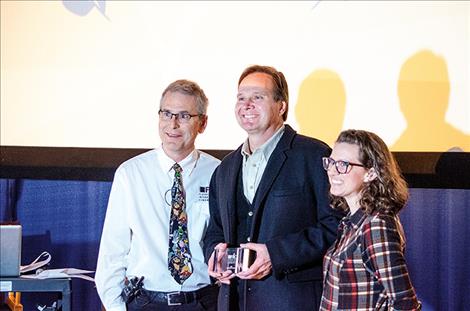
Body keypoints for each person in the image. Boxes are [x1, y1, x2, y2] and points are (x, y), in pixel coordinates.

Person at [203, 65, 343, 311]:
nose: (247, 105)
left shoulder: (313, 156)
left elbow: (337, 225)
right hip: (234, 301)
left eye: (257, 97)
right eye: (241, 98)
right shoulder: (225, 168)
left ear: (282, 106)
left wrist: (276, 254)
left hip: (292, 302)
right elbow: (214, 231)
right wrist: (214, 255)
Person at [95, 79, 221, 311]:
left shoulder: (219, 173)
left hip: (203, 301)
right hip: (146, 302)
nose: (172, 124)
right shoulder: (131, 173)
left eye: (184, 116)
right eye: (166, 114)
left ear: (202, 123)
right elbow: (113, 251)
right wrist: (115, 307)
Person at [320, 129, 421, 310]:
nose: (332, 171)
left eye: (342, 164)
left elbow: (405, 303)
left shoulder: (376, 226)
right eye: (331, 162)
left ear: (371, 173)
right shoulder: (352, 222)